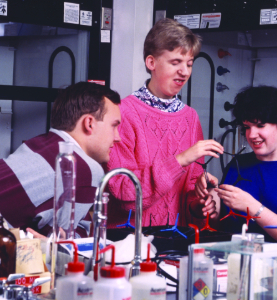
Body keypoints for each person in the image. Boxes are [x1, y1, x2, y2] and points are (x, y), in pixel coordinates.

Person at [106, 18, 223, 228]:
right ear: (151, 63)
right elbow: (124, 192)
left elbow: (189, 191)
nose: (185, 72)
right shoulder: (123, 112)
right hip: (128, 244)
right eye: (175, 62)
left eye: (189, 64)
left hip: (175, 243)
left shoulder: (191, 117)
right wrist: (180, 160)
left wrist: (202, 202)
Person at [196, 85, 277, 247]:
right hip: (231, 263)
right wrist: (210, 200)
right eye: (246, 127)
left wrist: (253, 208)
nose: (251, 135)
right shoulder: (237, 164)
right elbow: (221, 227)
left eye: (260, 125)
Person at [0, 82, 121, 238]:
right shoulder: (83, 167)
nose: (117, 137)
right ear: (89, 123)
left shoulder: (37, 143)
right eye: (114, 126)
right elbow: (67, 245)